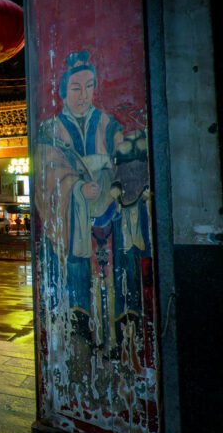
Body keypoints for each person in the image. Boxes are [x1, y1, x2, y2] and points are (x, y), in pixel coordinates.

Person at [35, 50, 150, 359]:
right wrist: (74, 187)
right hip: (76, 220)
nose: (83, 95)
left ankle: (124, 332)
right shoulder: (51, 130)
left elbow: (120, 163)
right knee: (72, 260)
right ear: (62, 91)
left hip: (109, 216)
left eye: (89, 86)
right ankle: (81, 332)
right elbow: (46, 175)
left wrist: (117, 180)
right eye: (75, 88)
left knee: (127, 241)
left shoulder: (108, 125)